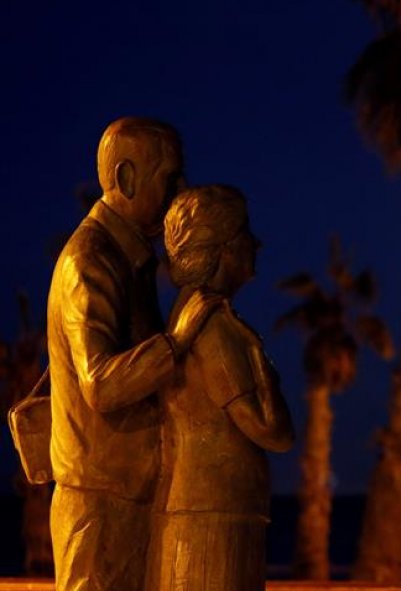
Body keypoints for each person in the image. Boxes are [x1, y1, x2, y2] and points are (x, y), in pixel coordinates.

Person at [47, 117, 218, 591]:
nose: (181, 190)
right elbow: (99, 383)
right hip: (100, 500)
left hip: (124, 494)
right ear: (126, 178)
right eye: (170, 177)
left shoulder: (126, 259)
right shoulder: (90, 260)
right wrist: (176, 342)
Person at [145, 185, 294, 591]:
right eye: (246, 233)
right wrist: (259, 360)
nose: (256, 243)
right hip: (212, 514)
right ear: (224, 248)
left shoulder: (196, 316)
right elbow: (271, 429)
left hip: (209, 509)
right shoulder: (214, 326)